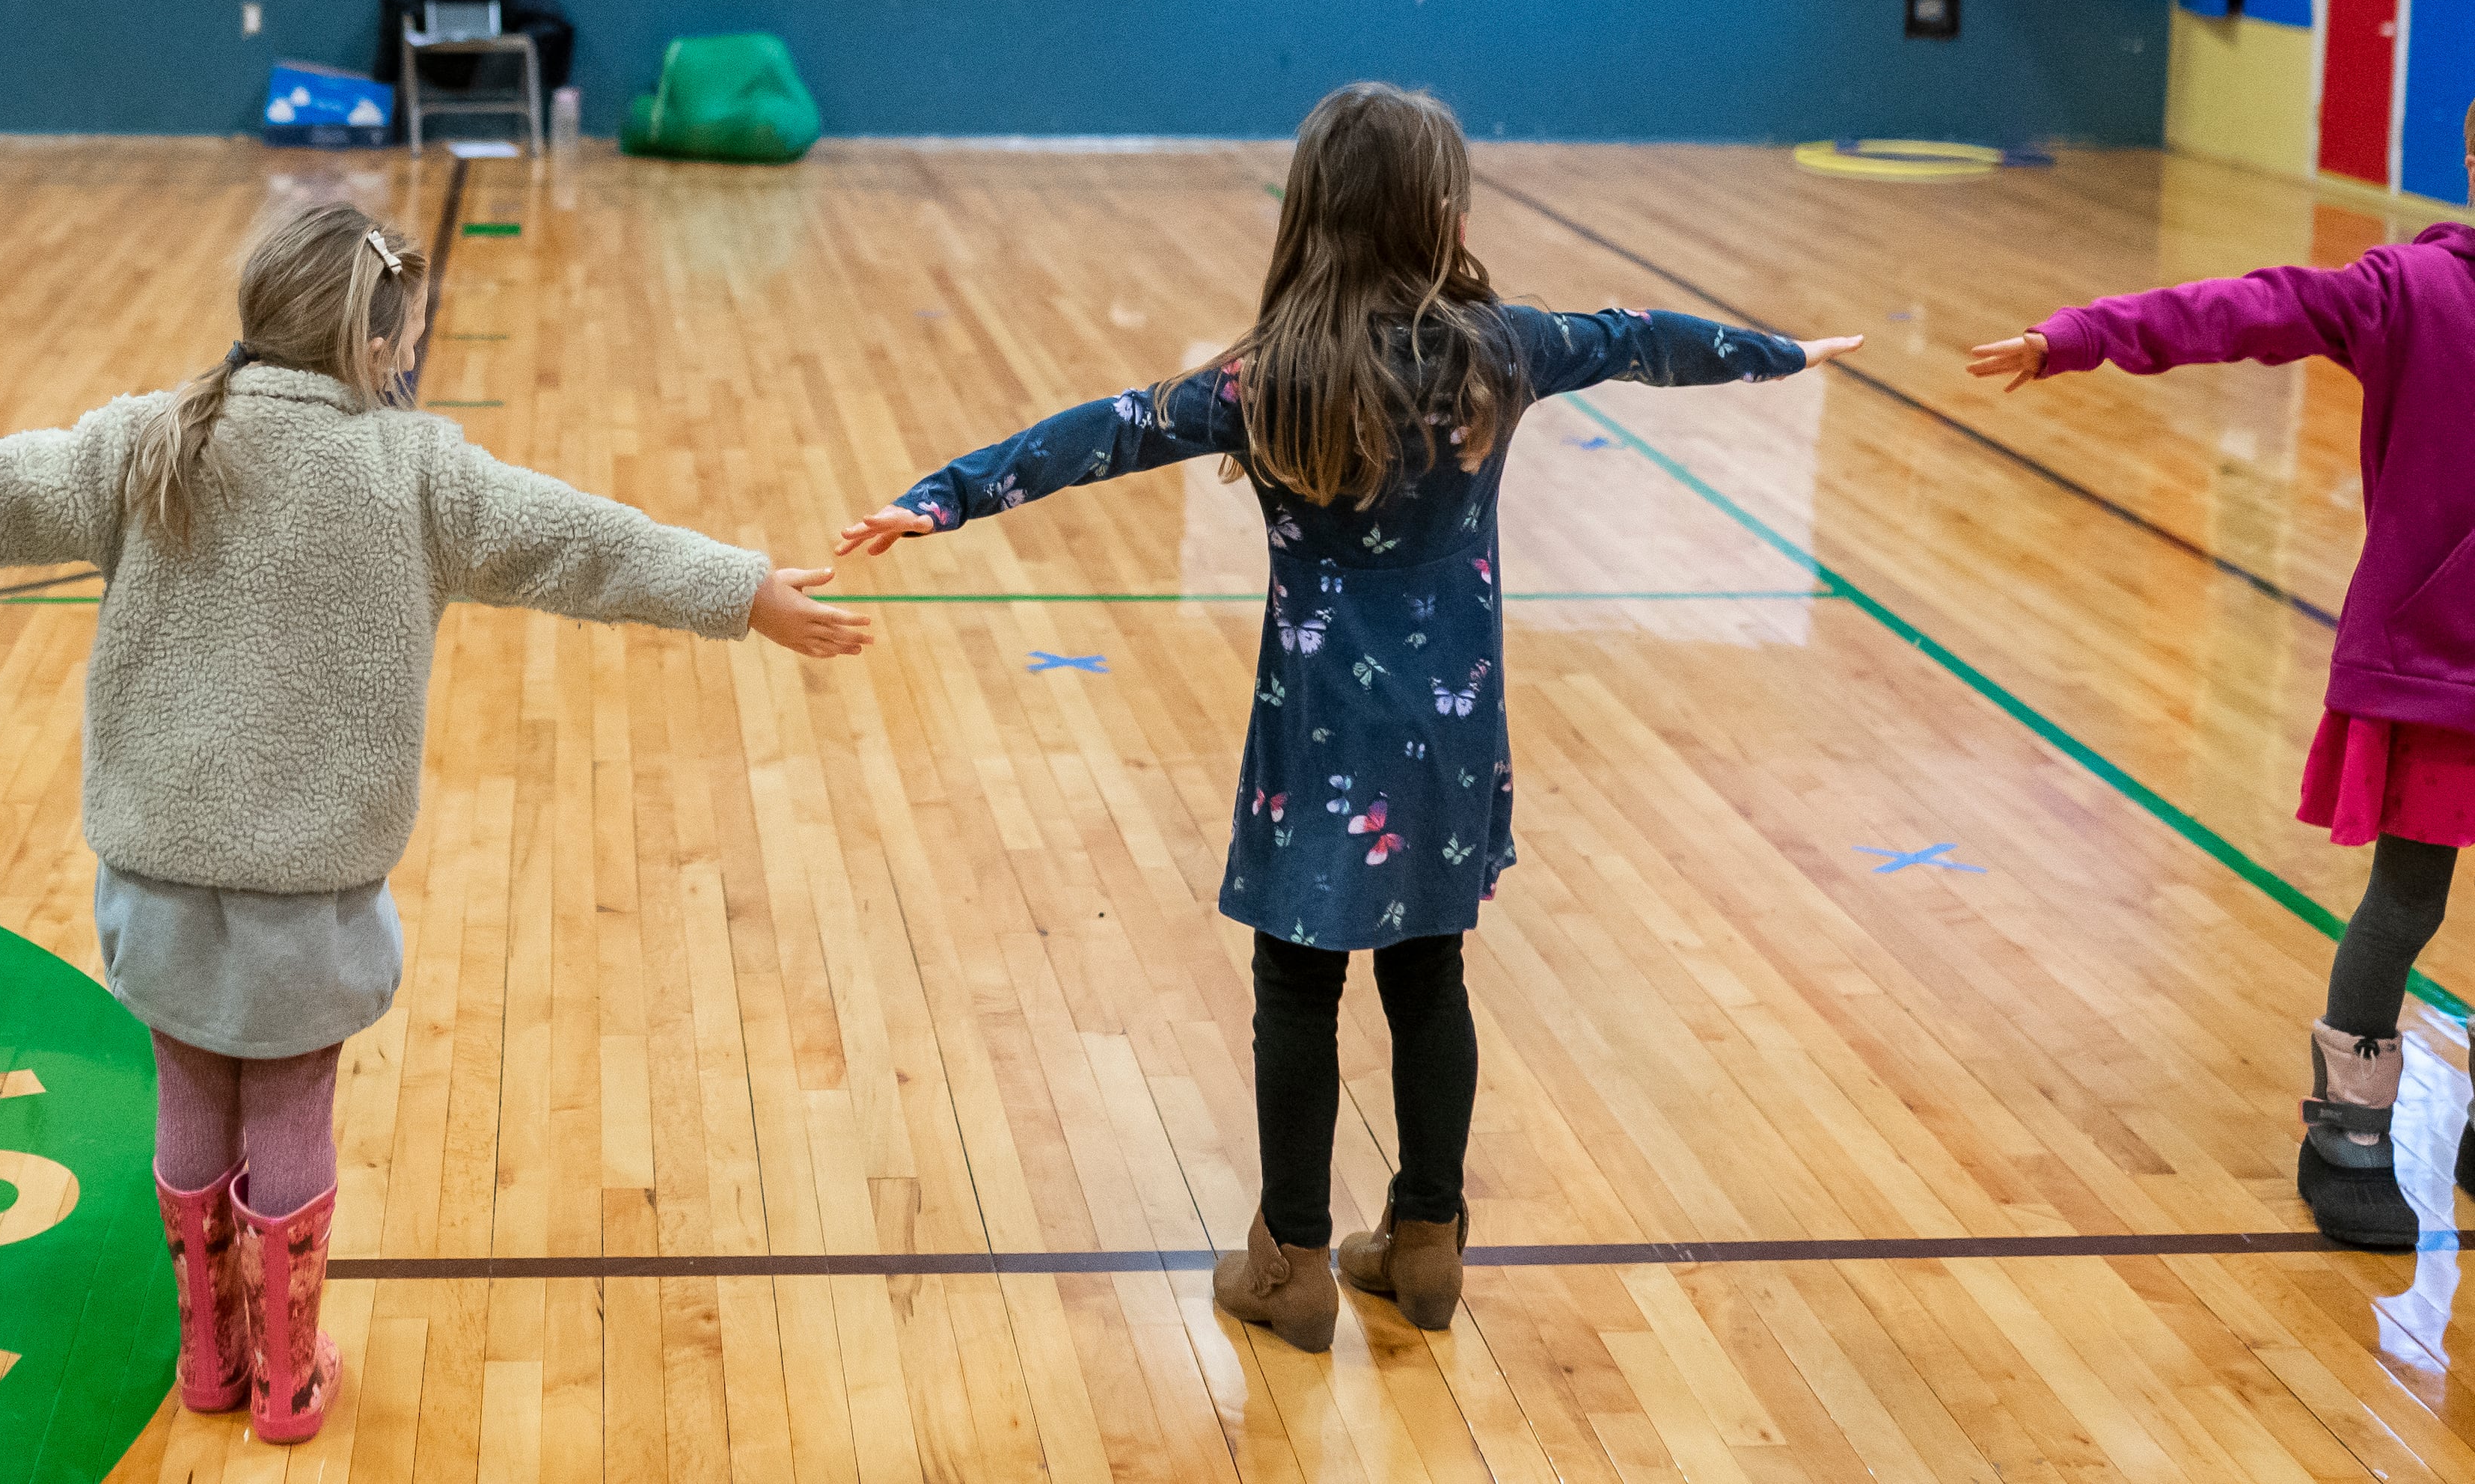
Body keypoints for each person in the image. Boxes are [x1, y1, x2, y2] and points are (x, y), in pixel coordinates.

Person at [0, 200, 866, 1443]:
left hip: (157, 869)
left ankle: (210, 1359)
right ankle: (290, 1384)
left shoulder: (148, 439)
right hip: (314, 886)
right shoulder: (420, 470)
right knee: (291, 1103)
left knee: (187, 1079)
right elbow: (591, 544)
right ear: (383, 346)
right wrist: (747, 590)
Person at [839, 83, 1855, 1349]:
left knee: (1296, 983)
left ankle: (1295, 1262)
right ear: (1441, 212)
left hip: (1316, 738)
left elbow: (1096, 436)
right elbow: (1638, 335)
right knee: (1432, 968)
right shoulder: (1505, 348)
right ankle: (1426, 1241)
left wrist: (937, 499)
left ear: (1311, 211)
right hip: (1452, 732)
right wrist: (1779, 352)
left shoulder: (1270, 381)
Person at [1968, 105, 2475, 1252]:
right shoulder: (2410, 292)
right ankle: (2346, 1139)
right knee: (2409, 899)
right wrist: (2081, 334)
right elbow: (2245, 309)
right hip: (2436, 659)